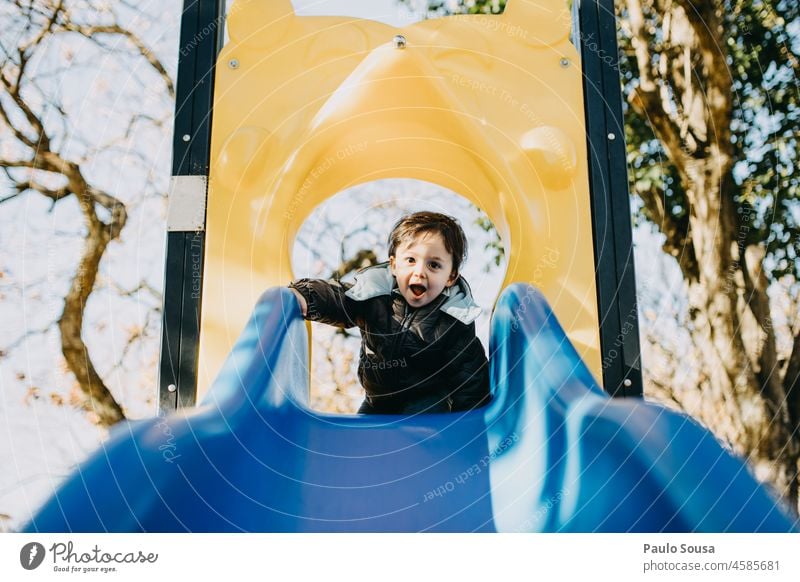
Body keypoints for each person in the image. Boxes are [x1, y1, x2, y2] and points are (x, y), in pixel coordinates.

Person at [289, 211, 491, 414]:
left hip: (427, 403)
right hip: (378, 401)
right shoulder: (374, 295)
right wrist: (305, 296)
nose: (420, 271)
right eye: (411, 260)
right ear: (394, 265)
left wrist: (470, 428)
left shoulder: (454, 320)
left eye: (434, 265)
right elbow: (339, 298)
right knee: (359, 439)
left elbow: (470, 377)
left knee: (422, 428)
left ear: (450, 277)